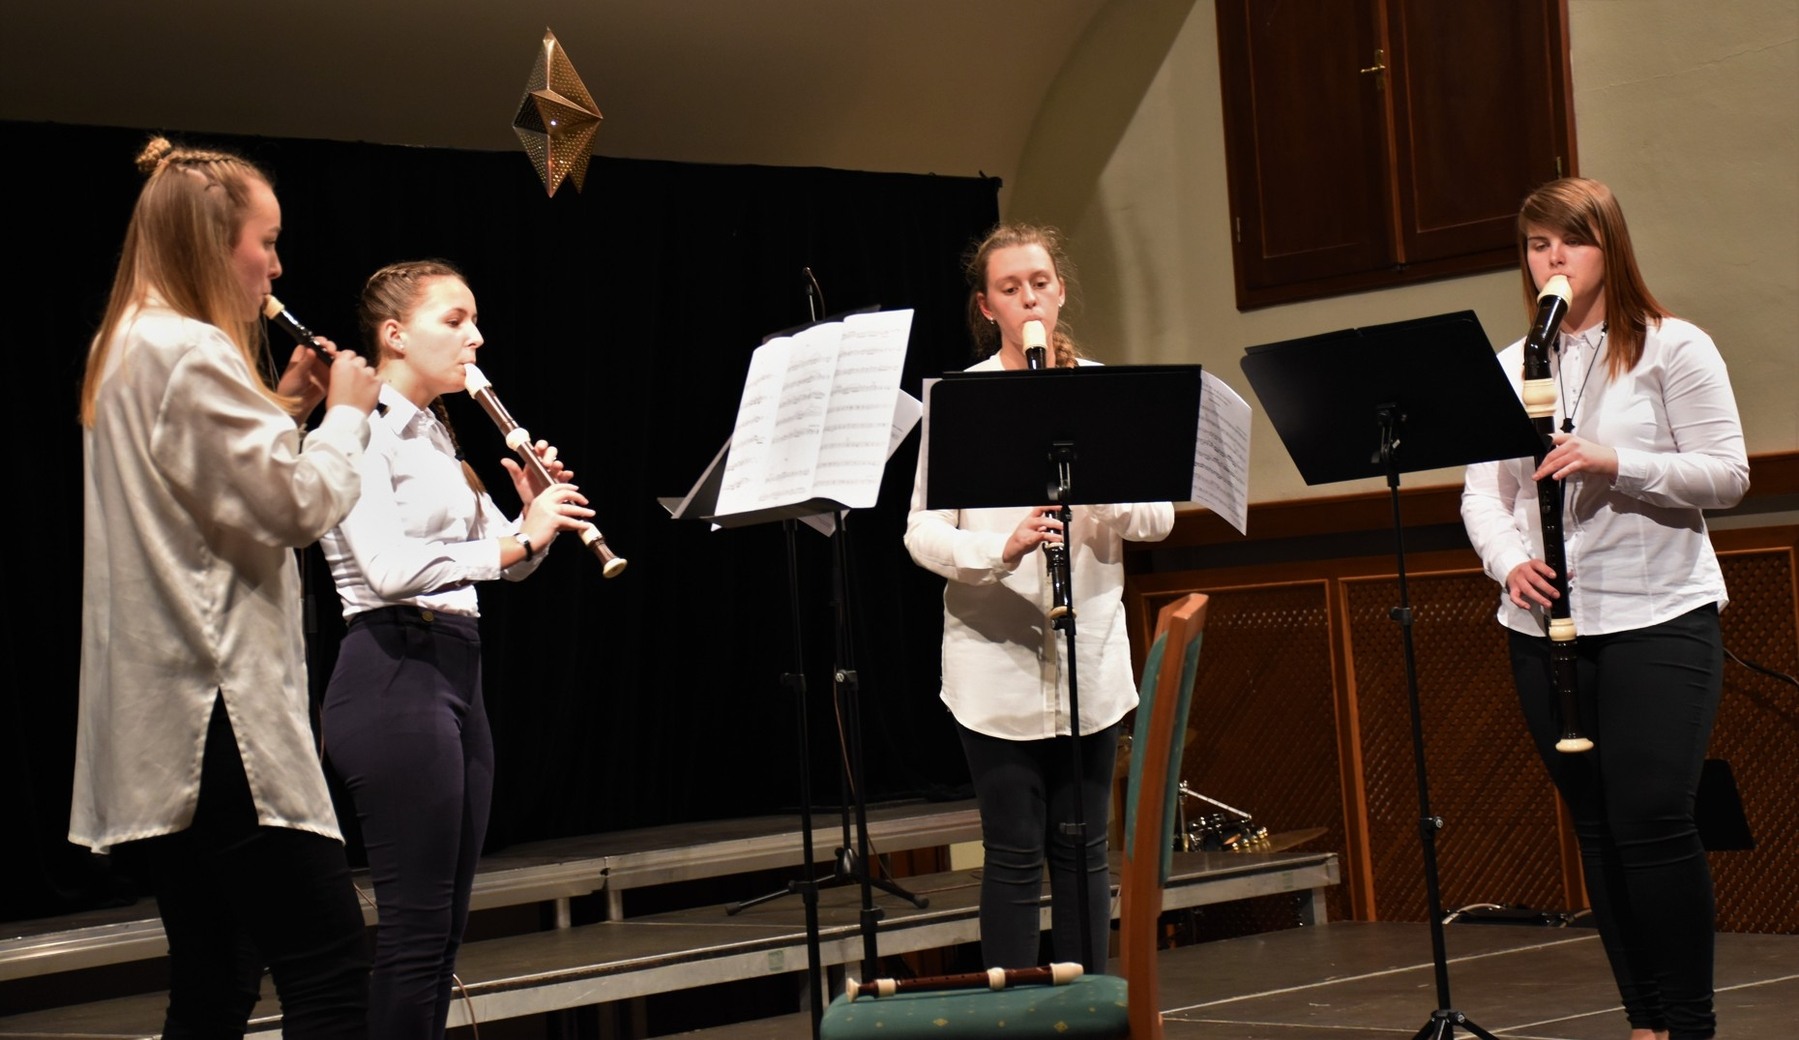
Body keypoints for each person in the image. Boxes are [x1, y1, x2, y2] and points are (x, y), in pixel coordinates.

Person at [73, 136, 381, 1037]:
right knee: (331, 975)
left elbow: (209, 488)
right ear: (216, 244)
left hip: (166, 724)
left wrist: (288, 407)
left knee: (215, 980)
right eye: (266, 242)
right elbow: (295, 505)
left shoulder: (127, 344)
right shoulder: (191, 348)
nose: (276, 268)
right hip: (218, 717)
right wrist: (346, 418)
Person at [1461, 177, 1748, 1040]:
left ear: (1607, 249)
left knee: (1651, 819)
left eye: (1570, 241)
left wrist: (1613, 460)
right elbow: (1484, 495)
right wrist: (1508, 562)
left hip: (1657, 616)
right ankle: (1643, 1022)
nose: (1552, 258)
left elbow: (1726, 475)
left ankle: (1688, 1025)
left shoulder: (1671, 347)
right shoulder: (1508, 366)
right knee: (1596, 828)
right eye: (1537, 244)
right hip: (1542, 626)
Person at [318, 260, 593, 1039]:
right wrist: (518, 542)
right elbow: (389, 569)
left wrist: (532, 517)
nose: (475, 336)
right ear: (395, 335)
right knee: (414, 934)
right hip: (392, 671)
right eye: (454, 319)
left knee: (442, 935)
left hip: (454, 669)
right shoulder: (359, 431)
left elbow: (506, 561)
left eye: (473, 320)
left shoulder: (438, 433)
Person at [903, 223, 1174, 972]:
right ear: (986, 306)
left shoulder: (1104, 390)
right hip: (993, 667)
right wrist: (1000, 551)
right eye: (1009, 287)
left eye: (1039, 283)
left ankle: (1087, 1010)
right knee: (1014, 853)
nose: (1028, 298)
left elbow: (1158, 518)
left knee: (1084, 851)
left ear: (1058, 292)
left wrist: (1098, 484)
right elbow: (921, 532)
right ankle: (1014, 1016)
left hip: (1090, 659)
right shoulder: (962, 400)